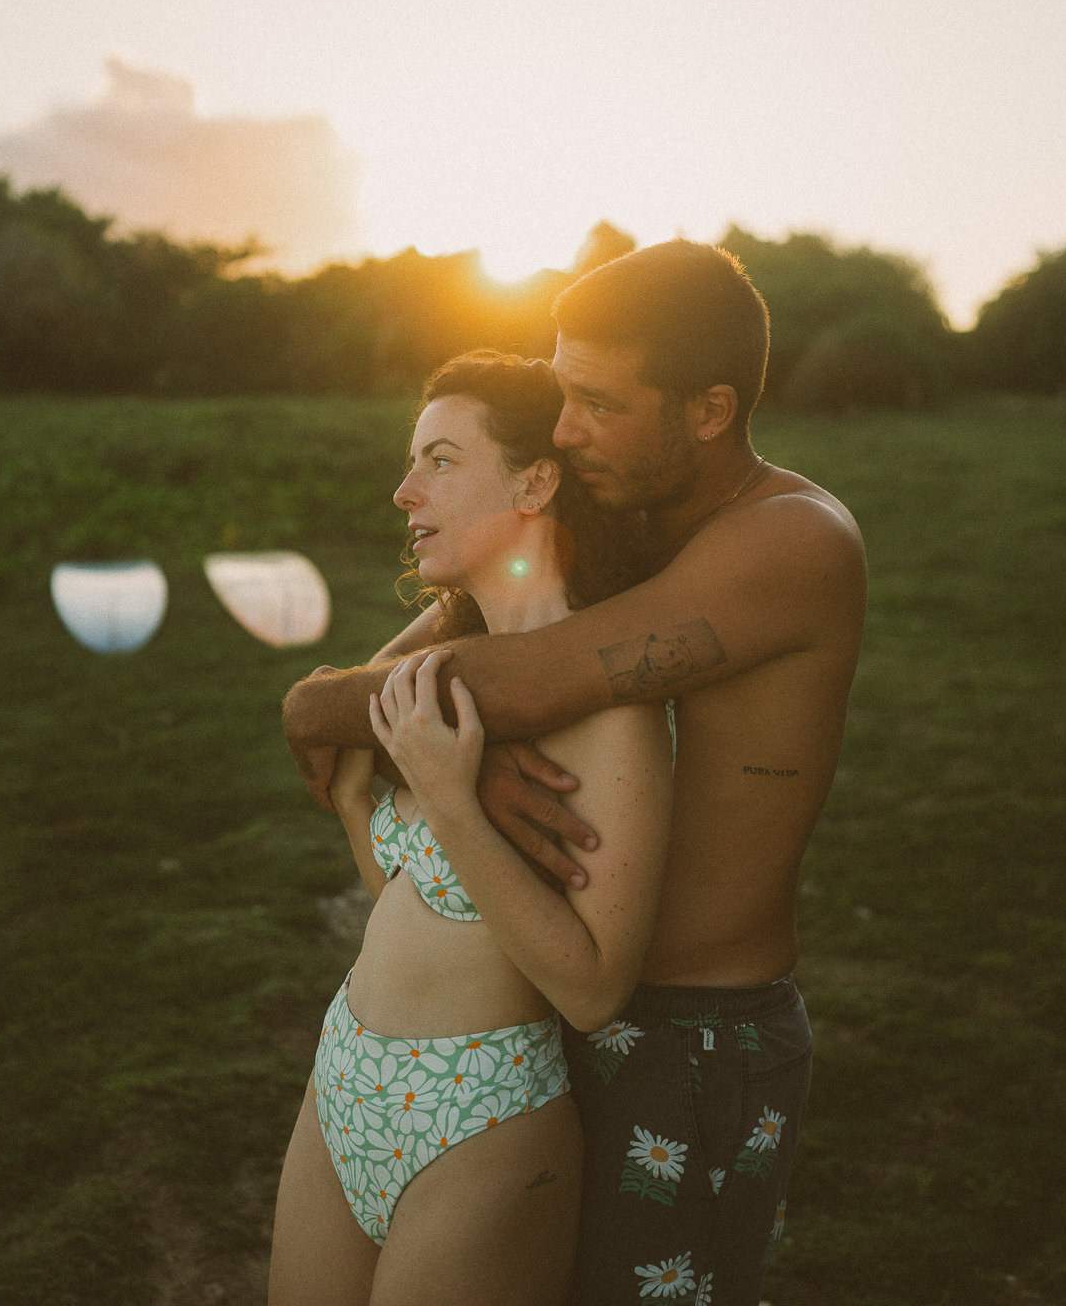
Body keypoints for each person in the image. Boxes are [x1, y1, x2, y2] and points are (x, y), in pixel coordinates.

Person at [283, 240, 868, 1306]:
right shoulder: (625, 514)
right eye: (561, 397)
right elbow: (432, 664)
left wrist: (313, 703)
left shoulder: (790, 541)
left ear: (709, 408)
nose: (563, 429)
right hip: (540, 1009)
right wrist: (415, 709)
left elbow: (516, 679)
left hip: (691, 1035)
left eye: (596, 403)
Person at [269, 353, 674, 1306]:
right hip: (346, 1081)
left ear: (538, 480)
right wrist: (393, 790)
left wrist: (450, 797)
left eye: (442, 460)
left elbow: (591, 989)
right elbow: (382, 855)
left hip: (481, 1116)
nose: (405, 489)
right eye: (413, 461)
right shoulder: (447, 666)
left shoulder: (613, 718)